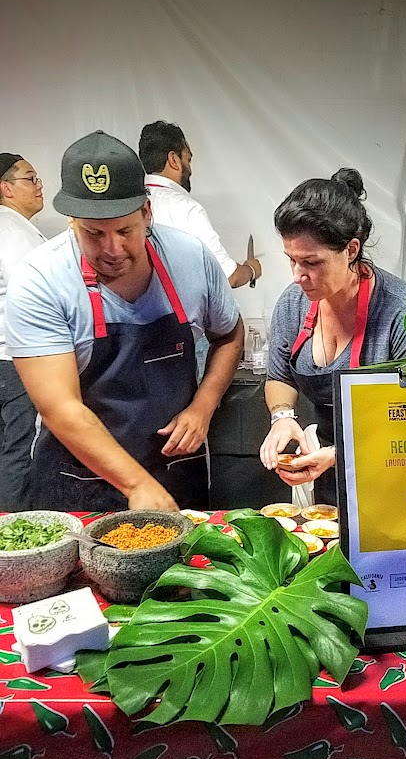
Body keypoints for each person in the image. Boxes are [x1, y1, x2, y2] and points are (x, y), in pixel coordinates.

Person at [5, 131, 243, 513]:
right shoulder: (40, 279)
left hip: (175, 468)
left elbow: (229, 334)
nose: (112, 250)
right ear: (71, 221)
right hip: (79, 478)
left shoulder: (191, 259)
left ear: (147, 213)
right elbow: (60, 407)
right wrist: (136, 484)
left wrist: (204, 405)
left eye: (125, 231)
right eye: (94, 234)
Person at [259, 168, 406, 502]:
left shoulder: (402, 314)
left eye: (312, 262)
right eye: (292, 260)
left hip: (392, 469)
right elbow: (280, 376)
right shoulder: (294, 303)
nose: (299, 275)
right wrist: (283, 417)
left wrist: (341, 454)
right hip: (324, 465)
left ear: (351, 249)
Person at [139, 121, 262, 288]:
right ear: (174, 159)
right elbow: (228, 277)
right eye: (188, 159)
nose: (190, 168)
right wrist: (251, 269)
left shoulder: (127, 205)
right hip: (176, 312)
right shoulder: (186, 209)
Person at [0, 153, 46, 510]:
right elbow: (34, 299)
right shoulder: (14, 233)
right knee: (21, 450)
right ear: (6, 188)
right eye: (30, 179)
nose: (39, 185)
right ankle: (17, 540)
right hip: (17, 363)